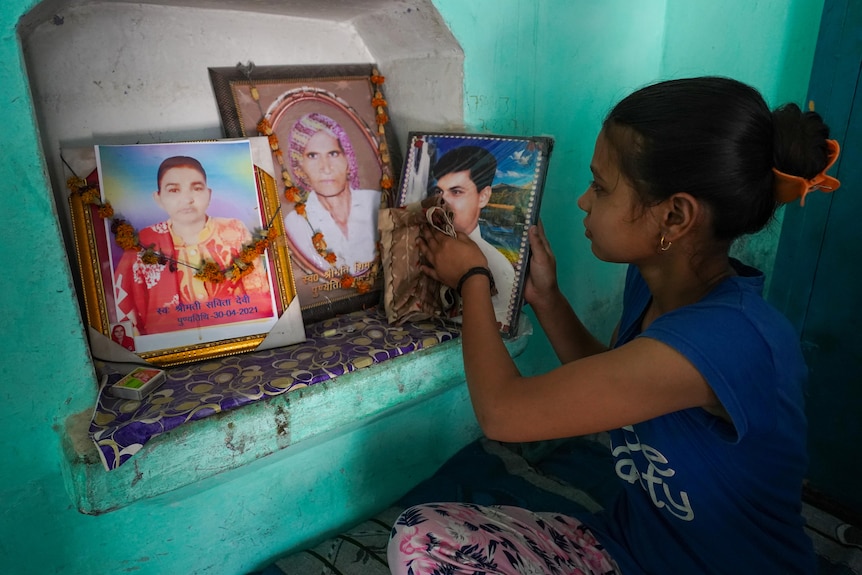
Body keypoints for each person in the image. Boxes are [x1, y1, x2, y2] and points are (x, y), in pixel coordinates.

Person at [388, 77, 841, 574]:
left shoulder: (730, 339)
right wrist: (546, 298)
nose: (583, 201)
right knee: (421, 538)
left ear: (674, 216)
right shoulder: (652, 283)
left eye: (601, 188)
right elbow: (616, 385)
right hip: (630, 548)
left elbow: (503, 414)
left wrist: (474, 276)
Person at [114, 155, 273, 335]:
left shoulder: (234, 230)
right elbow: (126, 311)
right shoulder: (142, 243)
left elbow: (260, 298)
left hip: (237, 334)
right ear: (158, 198)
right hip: (170, 347)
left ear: (208, 194)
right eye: (174, 190)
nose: (187, 199)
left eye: (196, 188)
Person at [283, 112, 381, 278]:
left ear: (348, 160)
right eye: (313, 156)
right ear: (300, 168)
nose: (326, 167)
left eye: (333, 154)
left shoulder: (377, 202)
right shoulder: (296, 223)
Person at [431, 145, 516, 327]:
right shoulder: (426, 246)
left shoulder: (499, 270)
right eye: (439, 192)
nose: (442, 203)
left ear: (483, 196)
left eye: (456, 192)